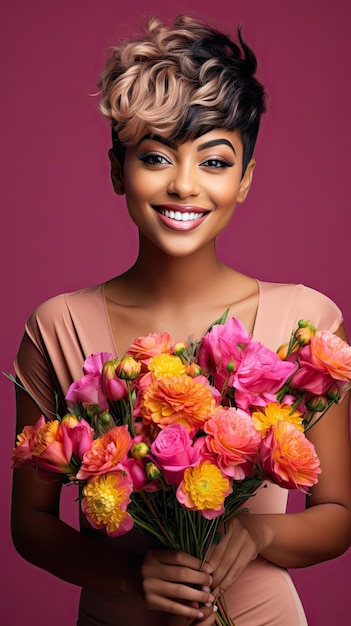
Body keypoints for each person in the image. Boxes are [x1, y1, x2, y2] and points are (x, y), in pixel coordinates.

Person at [11, 15, 351, 626]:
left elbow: (338, 514)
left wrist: (260, 533)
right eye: (156, 156)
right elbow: (31, 524)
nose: (185, 185)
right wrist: (125, 575)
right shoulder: (58, 326)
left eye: (215, 161)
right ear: (119, 170)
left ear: (245, 179)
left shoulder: (308, 319)